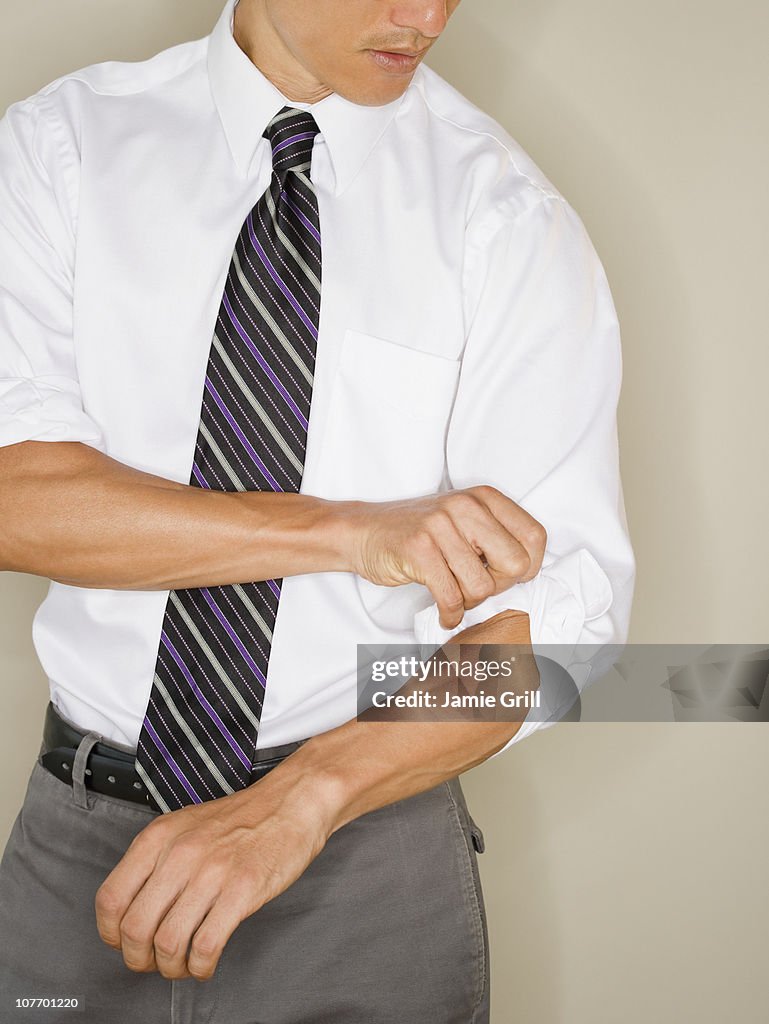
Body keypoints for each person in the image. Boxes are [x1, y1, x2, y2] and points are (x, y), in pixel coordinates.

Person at [0, 0, 635, 1021]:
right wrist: (351, 530)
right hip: (75, 859)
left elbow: (556, 629)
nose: (425, 15)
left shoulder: (503, 215)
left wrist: (305, 798)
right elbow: (17, 498)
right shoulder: (57, 151)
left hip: (363, 865)